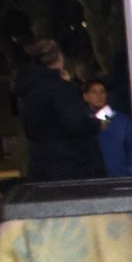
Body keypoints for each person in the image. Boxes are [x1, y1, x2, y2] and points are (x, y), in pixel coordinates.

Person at [16, 39, 104, 181]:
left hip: (42, 161)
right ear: (59, 58)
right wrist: (97, 124)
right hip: (70, 164)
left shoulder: (30, 90)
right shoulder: (61, 90)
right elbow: (75, 123)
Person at [83, 78, 132, 177]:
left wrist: (129, 170)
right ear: (85, 96)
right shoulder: (81, 122)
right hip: (92, 178)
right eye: (94, 92)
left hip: (119, 176)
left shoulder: (121, 120)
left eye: (102, 92)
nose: (99, 96)